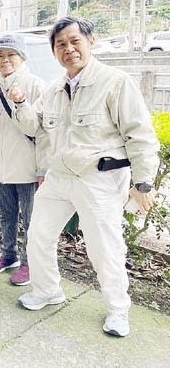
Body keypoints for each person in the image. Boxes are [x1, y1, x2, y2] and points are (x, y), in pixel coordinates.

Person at [12, 17, 159, 337]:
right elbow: (33, 127)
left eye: (74, 41)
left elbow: (140, 134)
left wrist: (143, 182)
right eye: (60, 44)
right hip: (59, 177)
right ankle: (48, 290)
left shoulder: (115, 82)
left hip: (99, 179)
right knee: (38, 234)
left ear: (91, 42)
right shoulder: (53, 89)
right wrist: (21, 103)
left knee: (104, 247)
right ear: (54, 52)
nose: (68, 49)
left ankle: (119, 310)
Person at [0, 35, 45, 284]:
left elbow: (39, 130)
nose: (4, 60)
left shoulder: (36, 85)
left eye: (11, 55)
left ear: (22, 58)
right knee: (7, 214)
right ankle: (9, 255)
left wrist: (20, 101)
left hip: (29, 166)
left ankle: (31, 263)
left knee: (32, 220)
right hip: (1, 163)